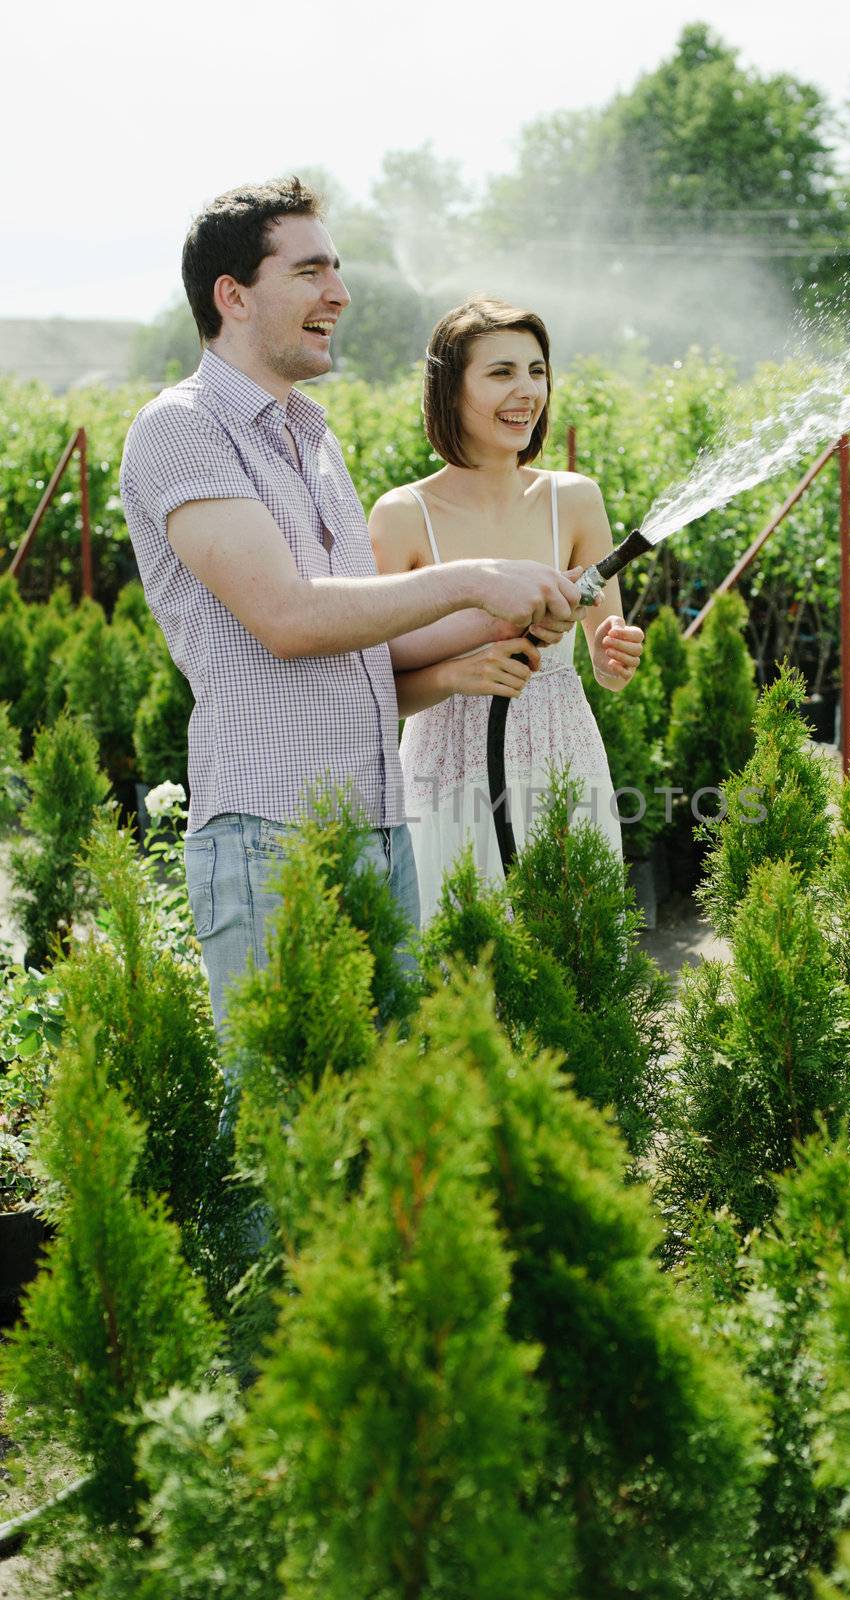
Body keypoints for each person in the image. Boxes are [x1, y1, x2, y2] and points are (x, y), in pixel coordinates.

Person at [120, 183, 579, 1031]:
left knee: (381, 1112)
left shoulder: (314, 438)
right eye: (311, 271)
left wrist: (516, 610)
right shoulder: (181, 428)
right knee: (286, 1117)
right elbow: (289, 617)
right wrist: (478, 576)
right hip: (273, 833)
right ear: (234, 295)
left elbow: (368, 643)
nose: (340, 293)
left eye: (338, 270)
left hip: (379, 827)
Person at [370, 298, 645, 923]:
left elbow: (607, 657)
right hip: (446, 764)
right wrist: (451, 678)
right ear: (449, 387)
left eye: (537, 370)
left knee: (574, 956)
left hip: (563, 750)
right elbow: (372, 683)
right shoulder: (402, 516)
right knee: (459, 957)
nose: (527, 390)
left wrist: (613, 657)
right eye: (501, 373)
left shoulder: (574, 501)